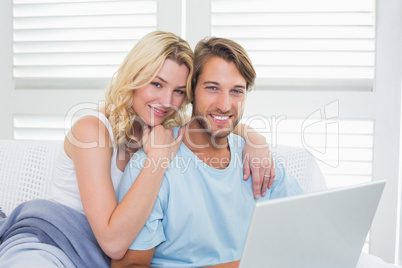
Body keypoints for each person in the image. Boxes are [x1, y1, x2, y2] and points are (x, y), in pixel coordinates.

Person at [0, 31, 274, 267]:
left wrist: (254, 139)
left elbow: (215, 117)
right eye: (156, 83)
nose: (167, 100)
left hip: (98, 258)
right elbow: (114, 243)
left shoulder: (160, 126)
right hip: (52, 244)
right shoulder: (93, 130)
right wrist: (157, 159)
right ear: (133, 78)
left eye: (179, 91)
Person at [112, 37, 305, 268]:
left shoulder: (259, 160)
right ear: (191, 91)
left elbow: (313, 228)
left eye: (236, 91)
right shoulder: (149, 167)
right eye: (212, 88)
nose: (224, 105)